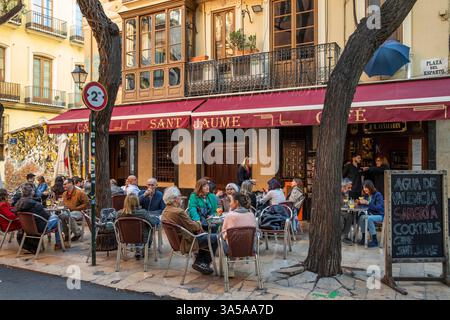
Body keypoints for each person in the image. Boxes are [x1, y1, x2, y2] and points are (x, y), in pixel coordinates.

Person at [161, 186, 217, 275]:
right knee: (215, 238)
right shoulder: (178, 212)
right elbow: (194, 227)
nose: (181, 198)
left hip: (176, 242)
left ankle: (200, 261)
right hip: (187, 242)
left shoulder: (165, 210)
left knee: (206, 236)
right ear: (175, 199)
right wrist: (198, 222)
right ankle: (202, 262)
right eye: (179, 196)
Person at [15, 185, 63, 251]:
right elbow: (47, 217)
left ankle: (58, 242)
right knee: (57, 219)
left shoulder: (18, 203)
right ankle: (58, 244)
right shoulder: (35, 204)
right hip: (39, 228)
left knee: (54, 217)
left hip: (26, 228)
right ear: (32, 193)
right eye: (33, 190)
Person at [118, 194, 160, 260]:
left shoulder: (119, 214)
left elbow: (116, 226)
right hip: (142, 238)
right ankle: (146, 247)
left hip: (125, 237)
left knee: (137, 229)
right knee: (153, 223)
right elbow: (153, 224)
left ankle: (138, 249)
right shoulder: (142, 213)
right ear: (137, 202)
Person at [358, 180, 384, 248]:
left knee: (368, 218)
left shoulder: (378, 195)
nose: (364, 189)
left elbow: (379, 207)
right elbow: (365, 207)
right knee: (361, 217)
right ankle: (364, 238)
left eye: (366, 187)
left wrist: (368, 203)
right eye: (363, 187)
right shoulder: (366, 196)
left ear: (370, 187)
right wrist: (360, 203)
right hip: (371, 214)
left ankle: (374, 240)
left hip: (380, 215)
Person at [341, 178, 354, 245]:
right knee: (347, 216)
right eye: (349, 187)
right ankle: (343, 236)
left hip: (342, 211)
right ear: (344, 186)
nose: (350, 189)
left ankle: (344, 236)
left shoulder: (345, 193)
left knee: (349, 216)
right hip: (337, 211)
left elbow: (345, 204)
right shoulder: (338, 192)